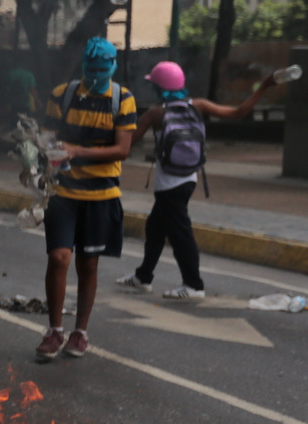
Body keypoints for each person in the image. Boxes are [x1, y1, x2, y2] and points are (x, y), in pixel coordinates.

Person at [117, 61, 277, 300]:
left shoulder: (155, 113)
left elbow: (125, 146)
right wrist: (264, 86)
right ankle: (143, 277)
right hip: (190, 178)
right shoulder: (199, 105)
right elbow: (239, 112)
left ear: (159, 88)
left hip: (168, 184)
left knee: (180, 234)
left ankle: (193, 285)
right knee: (155, 228)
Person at [36, 37, 137, 361]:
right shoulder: (62, 95)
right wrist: (43, 156)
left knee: (88, 264)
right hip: (63, 192)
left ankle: (80, 332)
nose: (95, 74)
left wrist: (79, 151)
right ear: (83, 66)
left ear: (112, 66)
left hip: (101, 194)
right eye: (90, 68)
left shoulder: (122, 100)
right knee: (58, 258)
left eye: (101, 68)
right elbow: (47, 136)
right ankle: (54, 330)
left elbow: (123, 149)